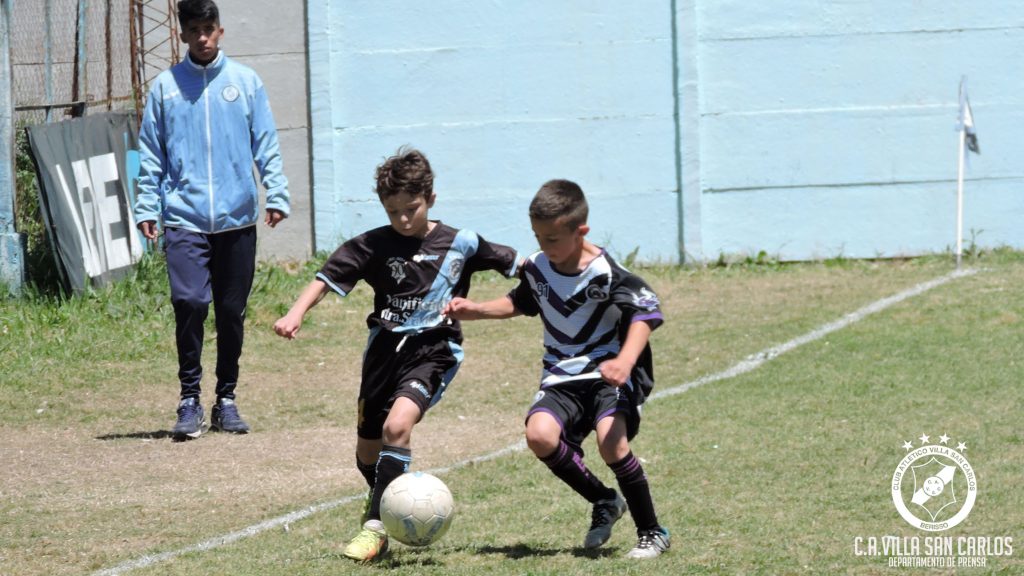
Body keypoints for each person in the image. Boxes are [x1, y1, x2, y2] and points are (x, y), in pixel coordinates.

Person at [273, 147, 520, 562]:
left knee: (397, 426)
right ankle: (386, 501)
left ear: (431, 199)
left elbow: (521, 265)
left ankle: (374, 528)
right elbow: (327, 277)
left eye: (412, 209)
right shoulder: (373, 244)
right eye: (393, 212)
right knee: (367, 453)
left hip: (434, 350)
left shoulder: (461, 242)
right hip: (383, 355)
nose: (403, 220)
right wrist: (295, 312)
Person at [444, 179, 671, 559]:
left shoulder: (605, 271)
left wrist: (624, 361)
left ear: (581, 231)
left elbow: (645, 314)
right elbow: (521, 301)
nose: (544, 246)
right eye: (538, 236)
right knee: (539, 435)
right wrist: (476, 309)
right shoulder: (538, 267)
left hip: (605, 375)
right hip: (561, 376)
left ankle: (652, 532)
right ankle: (604, 500)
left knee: (612, 444)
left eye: (552, 238)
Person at [134, 0, 290, 440]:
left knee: (230, 311)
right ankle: (189, 399)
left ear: (220, 30)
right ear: (183, 34)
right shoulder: (165, 88)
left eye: (209, 28)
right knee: (190, 302)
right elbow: (151, 154)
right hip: (184, 217)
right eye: (194, 30)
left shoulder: (246, 82)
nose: (202, 37)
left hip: (236, 219)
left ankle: (226, 399)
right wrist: (147, 205)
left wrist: (276, 193)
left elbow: (266, 143)